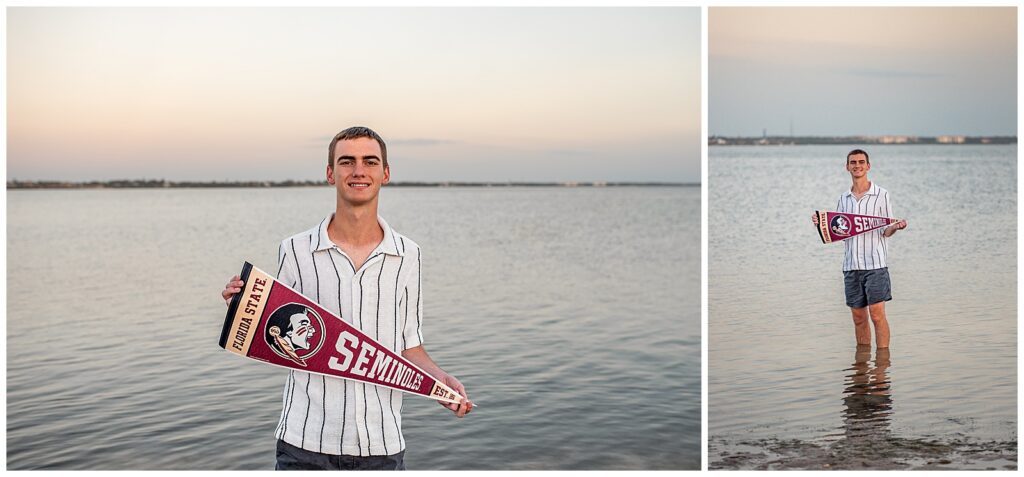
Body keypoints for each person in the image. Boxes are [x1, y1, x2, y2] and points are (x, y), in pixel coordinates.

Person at [222, 126, 472, 470]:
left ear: (385, 173)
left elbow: (409, 346)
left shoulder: (408, 255)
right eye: (346, 161)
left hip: (381, 445)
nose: (358, 171)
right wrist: (240, 306)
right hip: (304, 443)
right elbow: (272, 328)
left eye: (370, 161)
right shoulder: (295, 250)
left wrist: (439, 380)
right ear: (330, 173)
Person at [812, 149, 907, 349]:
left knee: (877, 315)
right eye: (853, 162)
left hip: (875, 265)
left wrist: (896, 227)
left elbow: (886, 230)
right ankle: (862, 362)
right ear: (847, 167)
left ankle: (883, 362)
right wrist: (821, 224)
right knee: (858, 318)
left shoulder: (881, 195)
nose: (857, 165)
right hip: (851, 266)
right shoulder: (843, 198)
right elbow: (839, 232)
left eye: (861, 162)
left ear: (868, 166)